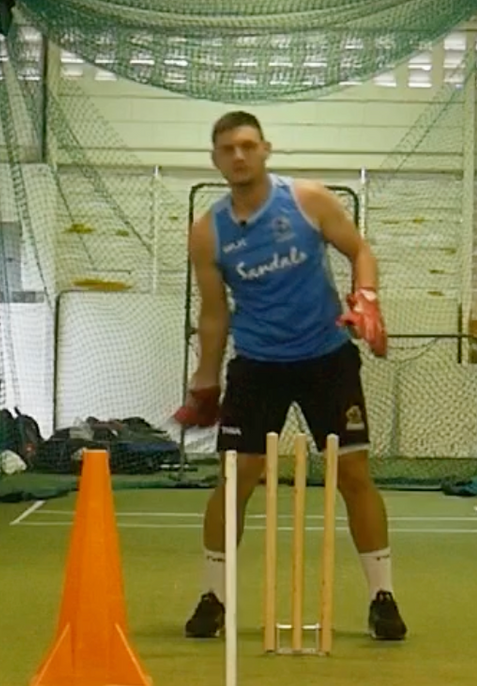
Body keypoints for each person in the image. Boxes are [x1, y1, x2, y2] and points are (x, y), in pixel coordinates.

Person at [173, 110, 408, 643]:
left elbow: (360, 251)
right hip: (258, 365)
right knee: (236, 480)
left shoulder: (308, 200)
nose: (238, 155)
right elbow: (214, 312)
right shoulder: (207, 232)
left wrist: (366, 300)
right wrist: (205, 381)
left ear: (265, 150)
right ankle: (214, 597)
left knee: (353, 477)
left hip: (327, 357)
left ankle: (382, 598)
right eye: (227, 148)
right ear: (215, 159)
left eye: (247, 145)